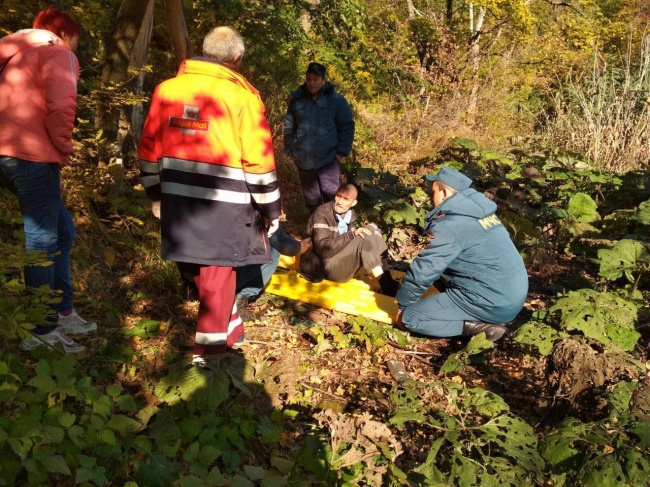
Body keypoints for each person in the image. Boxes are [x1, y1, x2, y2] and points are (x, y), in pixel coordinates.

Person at [139, 26, 281, 360]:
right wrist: (270, 209)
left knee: (200, 269)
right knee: (218, 272)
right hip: (225, 203)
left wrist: (155, 193)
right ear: (237, 58)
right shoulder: (243, 96)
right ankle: (210, 355)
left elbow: (149, 146)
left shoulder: (166, 89)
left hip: (177, 198)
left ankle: (231, 329)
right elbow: (258, 161)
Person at [0, 8, 95, 354]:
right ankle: (40, 328)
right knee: (41, 241)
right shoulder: (58, 52)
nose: (76, 48)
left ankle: (61, 310)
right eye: (76, 41)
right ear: (66, 35)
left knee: (63, 232)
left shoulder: (17, 55)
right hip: (32, 157)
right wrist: (64, 149)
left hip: (9, 157)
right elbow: (62, 106)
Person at [395, 166, 528, 342]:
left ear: (443, 193)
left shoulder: (451, 224)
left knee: (409, 319)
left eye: (432, 191)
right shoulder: (480, 213)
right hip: (511, 295)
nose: (430, 196)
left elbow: (425, 269)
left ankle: (483, 329)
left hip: (492, 302)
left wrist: (402, 304)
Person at [299, 184, 399, 296]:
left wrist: (355, 235)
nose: (339, 202)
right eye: (338, 196)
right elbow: (323, 251)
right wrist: (351, 235)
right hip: (319, 267)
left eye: (345, 199)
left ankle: (388, 279)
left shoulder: (350, 214)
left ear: (353, 203)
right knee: (363, 239)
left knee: (372, 228)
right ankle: (387, 286)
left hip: (336, 259)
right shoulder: (322, 213)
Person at [283, 62, 355, 213]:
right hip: (304, 160)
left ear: (323, 80)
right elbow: (289, 124)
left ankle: (337, 230)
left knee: (333, 197)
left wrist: (341, 153)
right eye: (309, 79)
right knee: (312, 200)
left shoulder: (336, 100)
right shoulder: (297, 100)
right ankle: (318, 231)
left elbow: (347, 126)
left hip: (328, 160)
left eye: (315, 79)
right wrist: (291, 148)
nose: (311, 83)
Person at [234, 226, 311, 321]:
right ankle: (239, 302)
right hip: (230, 268)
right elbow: (278, 240)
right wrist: (300, 247)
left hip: (216, 259)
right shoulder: (259, 212)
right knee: (273, 252)